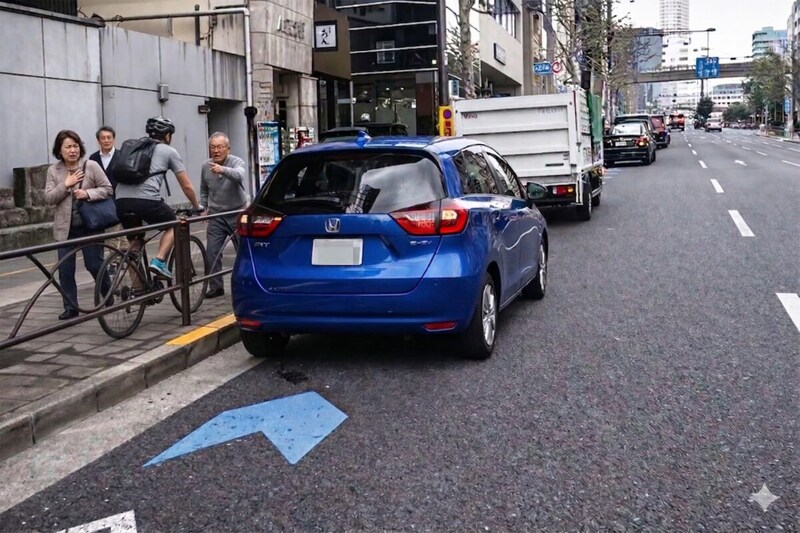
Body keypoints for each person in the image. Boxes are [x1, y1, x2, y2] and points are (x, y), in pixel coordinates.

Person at [114, 116, 201, 280]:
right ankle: (159, 261)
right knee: (175, 225)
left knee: (135, 243)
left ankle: (138, 289)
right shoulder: (168, 151)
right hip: (146, 201)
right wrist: (197, 206)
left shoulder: (134, 147)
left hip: (120, 201)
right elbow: (187, 186)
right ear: (167, 135)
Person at [44, 130, 113, 320]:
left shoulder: (90, 165)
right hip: (65, 229)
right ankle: (70, 307)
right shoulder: (53, 170)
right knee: (65, 271)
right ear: (60, 150)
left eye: (75, 146)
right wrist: (66, 184)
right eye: (68, 147)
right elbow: (49, 198)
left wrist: (88, 194)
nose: (72, 150)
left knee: (94, 265)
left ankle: (107, 293)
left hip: (91, 225)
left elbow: (108, 189)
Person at [200, 132, 248, 298]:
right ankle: (216, 286)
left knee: (243, 250)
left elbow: (240, 175)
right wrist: (203, 207)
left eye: (220, 147)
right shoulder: (205, 166)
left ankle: (246, 284)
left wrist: (223, 170)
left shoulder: (236, 162)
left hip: (237, 213)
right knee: (212, 251)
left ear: (228, 148)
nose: (216, 151)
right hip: (216, 215)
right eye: (212, 147)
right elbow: (204, 189)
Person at [89, 126, 126, 258]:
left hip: (120, 199)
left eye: (109, 137)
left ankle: (119, 260)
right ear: (98, 140)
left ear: (114, 139)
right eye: (103, 138)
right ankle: (120, 259)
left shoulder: (122, 156)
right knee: (113, 232)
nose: (106, 140)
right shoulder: (92, 159)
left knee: (118, 231)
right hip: (101, 202)